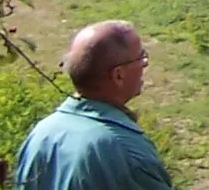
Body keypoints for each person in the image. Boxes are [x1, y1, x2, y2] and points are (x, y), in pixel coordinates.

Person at [12, 22, 173, 190]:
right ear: (118, 75)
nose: (145, 63)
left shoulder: (41, 134)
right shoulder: (125, 150)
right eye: (141, 57)